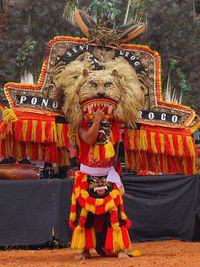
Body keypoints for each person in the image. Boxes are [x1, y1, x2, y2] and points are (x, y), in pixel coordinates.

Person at [69, 107, 132, 259]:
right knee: (84, 216)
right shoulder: (81, 126)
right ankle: (85, 249)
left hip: (108, 176)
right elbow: (90, 139)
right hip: (87, 177)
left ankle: (120, 248)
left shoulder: (113, 126)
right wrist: (97, 120)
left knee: (115, 215)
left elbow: (115, 152)